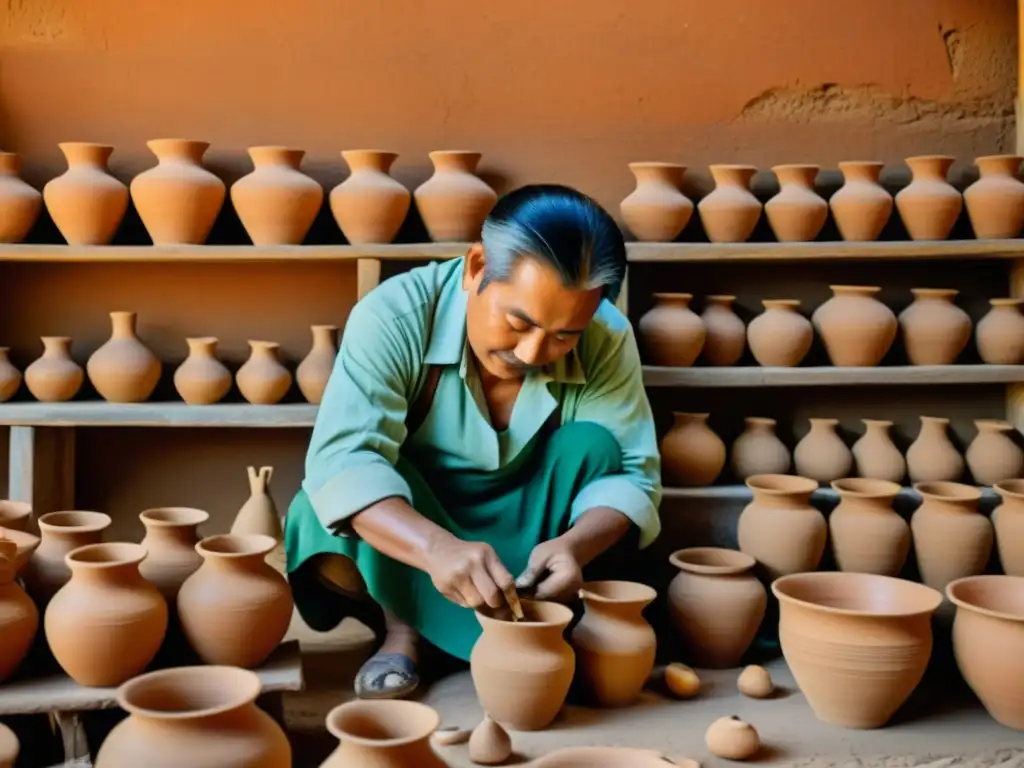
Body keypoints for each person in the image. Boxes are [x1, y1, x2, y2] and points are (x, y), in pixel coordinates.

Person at [284, 183, 662, 699]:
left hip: (530, 518)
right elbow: (343, 462)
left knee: (594, 446)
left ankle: (532, 620)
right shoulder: (395, 316)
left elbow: (633, 475)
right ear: (477, 266)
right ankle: (404, 631)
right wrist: (434, 547)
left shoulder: (607, 335)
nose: (532, 352)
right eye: (518, 322)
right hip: (422, 513)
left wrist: (576, 545)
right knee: (320, 506)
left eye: (563, 336)